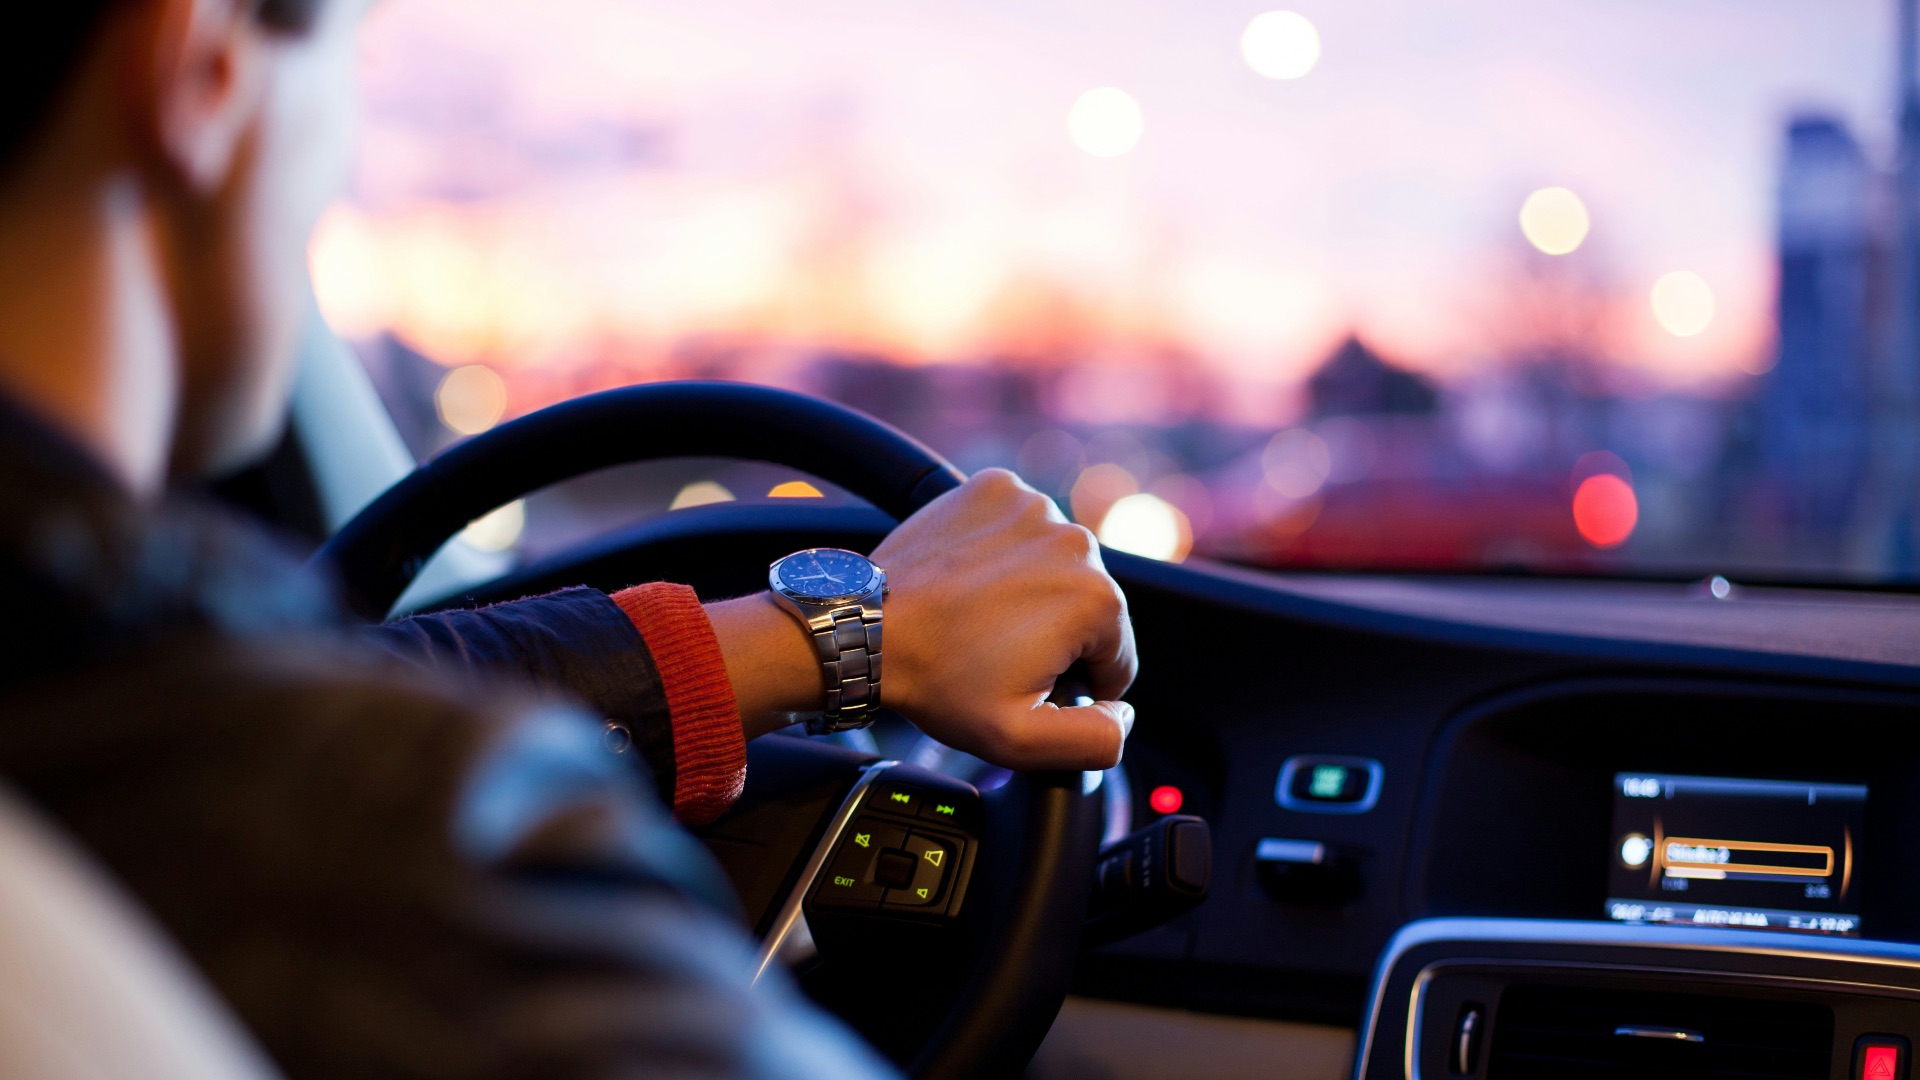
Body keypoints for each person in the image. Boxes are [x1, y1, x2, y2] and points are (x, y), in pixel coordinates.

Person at [0, 0, 1139, 1076]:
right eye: (343, 59)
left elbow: (306, 678)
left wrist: (834, 640)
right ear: (204, 62)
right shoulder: (417, 868)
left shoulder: (95, 701)